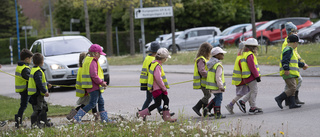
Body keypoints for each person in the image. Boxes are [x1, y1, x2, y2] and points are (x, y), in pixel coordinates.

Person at [138, 48, 176, 122]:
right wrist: (163, 87)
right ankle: (142, 113)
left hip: (157, 88)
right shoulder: (157, 66)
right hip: (157, 88)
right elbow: (158, 78)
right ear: (164, 58)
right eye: (166, 58)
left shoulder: (154, 63)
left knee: (166, 100)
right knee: (158, 103)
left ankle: (166, 117)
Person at [73, 44, 109, 123]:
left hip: (93, 86)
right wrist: (102, 83)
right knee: (92, 104)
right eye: (99, 54)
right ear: (96, 53)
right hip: (93, 87)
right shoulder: (92, 61)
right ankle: (77, 118)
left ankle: (105, 119)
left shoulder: (87, 60)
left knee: (101, 102)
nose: (100, 56)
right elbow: (94, 75)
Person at [66, 52, 99, 121]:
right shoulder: (84, 69)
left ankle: (96, 116)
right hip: (87, 90)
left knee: (93, 103)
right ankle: (72, 115)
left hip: (86, 90)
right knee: (86, 105)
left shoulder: (81, 68)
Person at [275, 34, 305, 109]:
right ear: (294, 43)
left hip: (292, 73)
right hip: (289, 73)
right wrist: (286, 69)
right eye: (297, 43)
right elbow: (285, 60)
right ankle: (279, 98)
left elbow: (294, 62)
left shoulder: (291, 50)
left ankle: (292, 104)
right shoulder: (288, 49)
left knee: (293, 87)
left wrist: (302, 65)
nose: (297, 45)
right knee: (292, 88)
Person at [282, 22, 308, 105]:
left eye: (296, 31)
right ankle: (293, 98)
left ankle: (288, 100)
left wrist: (301, 60)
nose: (296, 33)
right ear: (290, 32)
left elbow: (295, 53)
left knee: (289, 83)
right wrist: (301, 64)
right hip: (291, 66)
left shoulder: (292, 40)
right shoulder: (289, 42)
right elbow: (290, 55)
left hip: (293, 65)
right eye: (294, 31)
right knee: (298, 80)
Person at [236, 38, 263, 115]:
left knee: (252, 91)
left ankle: (243, 101)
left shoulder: (244, 54)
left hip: (246, 76)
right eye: (255, 47)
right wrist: (257, 76)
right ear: (252, 47)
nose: (256, 49)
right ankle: (252, 108)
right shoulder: (250, 55)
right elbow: (252, 67)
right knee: (254, 91)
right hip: (251, 76)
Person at [28, 53, 53, 128]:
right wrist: (45, 91)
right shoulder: (37, 71)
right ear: (42, 62)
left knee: (44, 107)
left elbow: (41, 81)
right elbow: (39, 83)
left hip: (39, 94)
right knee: (38, 109)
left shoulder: (36, 70)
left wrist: (47, 84)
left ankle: (45, 122)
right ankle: (34, 124)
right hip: (37, 94)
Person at [225, 42, 251, 114]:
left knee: (246, 93)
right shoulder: (242, 58)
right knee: (244, 93)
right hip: (242, 79)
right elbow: (244, 69)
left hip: (239, 79)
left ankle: (251, 106)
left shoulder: (239, 56)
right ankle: (231, 105)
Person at [202, 47, 227, 118]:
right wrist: (221, 86)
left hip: (212, 86)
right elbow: (218, 77)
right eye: (221, 54)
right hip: (217, 86)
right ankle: (217, 113)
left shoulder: (211, 64)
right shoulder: (218, 65)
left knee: (217, 98)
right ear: (216, 55)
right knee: (219, 98)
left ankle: (207, 109)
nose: (223, 55)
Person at [192, 42, 213, 116]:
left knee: (207, 96)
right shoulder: (201, 59)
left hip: (206, 82)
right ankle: (197, 107)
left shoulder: (205, 59)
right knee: (208, 95)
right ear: (206, 51)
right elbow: (202, 71)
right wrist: (210, 75)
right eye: (209, 52)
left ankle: (205, 112)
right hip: (202, 82)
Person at [14, 49, 33, 128]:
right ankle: (18, 122)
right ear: (27, 59)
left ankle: (41, 118)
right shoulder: (24, 69)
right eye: (31, 58)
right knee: (24, 105)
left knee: (33, 103)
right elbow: (29, 79)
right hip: (25, 90)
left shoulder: (20, 66)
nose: (31, 60)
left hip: (23, 90)